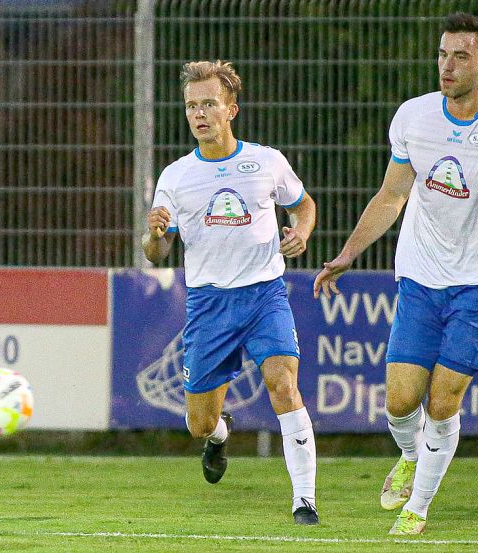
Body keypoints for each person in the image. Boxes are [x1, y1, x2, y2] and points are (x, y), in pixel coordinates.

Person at [313, 13, 478, 535]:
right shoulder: (413, 117)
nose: (447, 66)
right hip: (420, 276)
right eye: (443, 54)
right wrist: (348, 253)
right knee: (400, 402)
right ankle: (408, 454)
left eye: (461, 56)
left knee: (443, 400)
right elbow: (393, 194)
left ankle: (416, 508)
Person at [144, 60, 320, 525]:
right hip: (208, 303)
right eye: (190, 106)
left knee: (284, 386)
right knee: (198, 422)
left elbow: (304, 206)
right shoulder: (176, 176)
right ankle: (220, 436)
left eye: (208, 104)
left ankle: (305, 502)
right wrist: (154, 234)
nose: (198, 114)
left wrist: (301, 232)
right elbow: (155, 252)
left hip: (264, 294)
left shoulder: (266, 161)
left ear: (231, 110)